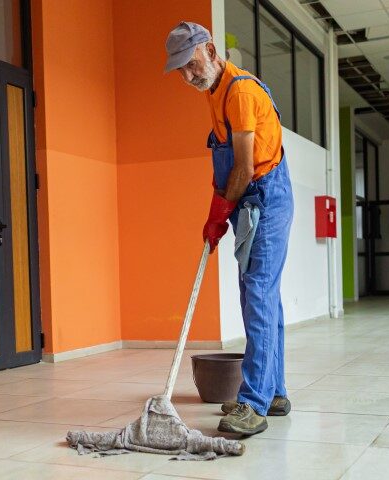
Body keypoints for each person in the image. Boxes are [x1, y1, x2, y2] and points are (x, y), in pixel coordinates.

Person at [164, 21, 294, 435]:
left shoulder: (238, 92)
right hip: (248, 198)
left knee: (258, 292)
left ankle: (253, 402)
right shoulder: (213, 90)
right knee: (259, 294)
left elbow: (244, 166)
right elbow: (226, 168)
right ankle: (273, 391)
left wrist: (220, 212)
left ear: (211, 49)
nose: (188, 75)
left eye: (191, 64)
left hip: (267, 197)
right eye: (180, 69)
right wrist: (216, 211)